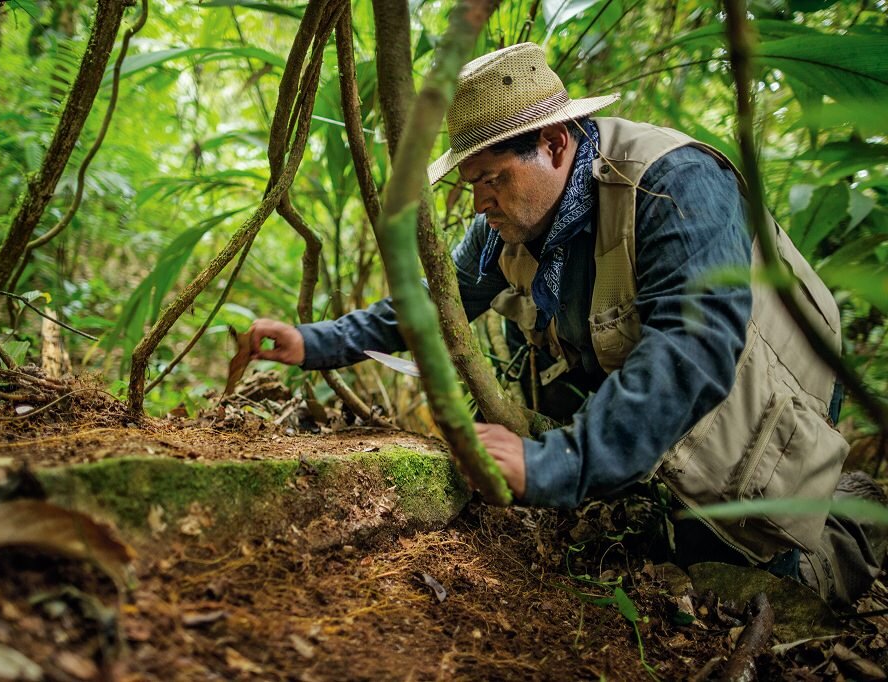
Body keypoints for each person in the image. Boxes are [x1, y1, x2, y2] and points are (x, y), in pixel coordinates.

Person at [249, 42, 884, 606]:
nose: (480, 201)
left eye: (494, 178)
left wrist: (555, 465)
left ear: (554, 144)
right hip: (663, 428)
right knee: (671, 555)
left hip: (764, 402)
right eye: (472, 183)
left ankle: (863, 515)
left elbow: (689, 352)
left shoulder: (675, 184)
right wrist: (314, 343)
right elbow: (433, 306)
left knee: (771, 575)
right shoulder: (507, 223)